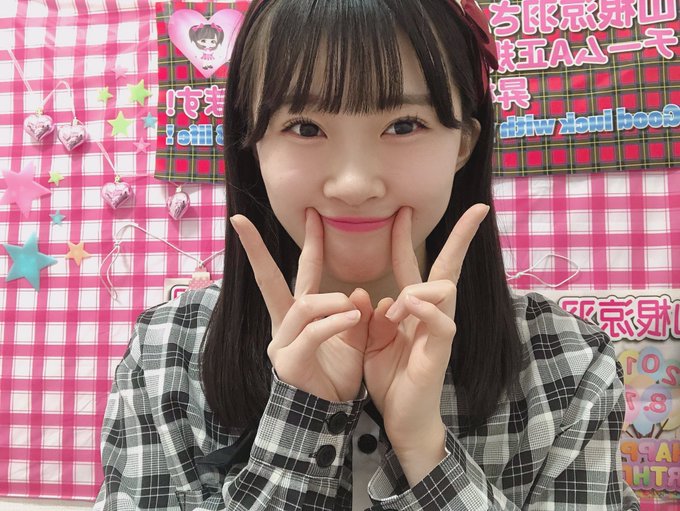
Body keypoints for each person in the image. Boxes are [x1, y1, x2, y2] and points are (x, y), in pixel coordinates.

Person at [94, 0, 640, 509]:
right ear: (253, 142)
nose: (354, 184)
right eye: (304, 127)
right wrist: (298, 420)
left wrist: (425, 449)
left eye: (404, 125)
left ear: (464, 143)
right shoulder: (167, 353)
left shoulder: (566, 363)